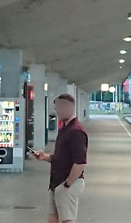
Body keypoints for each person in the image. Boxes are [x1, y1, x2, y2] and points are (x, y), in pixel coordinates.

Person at [32, 93, 88, 223]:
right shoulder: (64, 129)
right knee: (52, 218)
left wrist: (67, 184)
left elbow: (80, 163)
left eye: (58, 108)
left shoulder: (76, 131)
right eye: (56, 109)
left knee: (66, 220)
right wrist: (45, 157)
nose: (57, 112)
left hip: (67, 183)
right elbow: (62, 158)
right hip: (56, 183)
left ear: (68, 108)